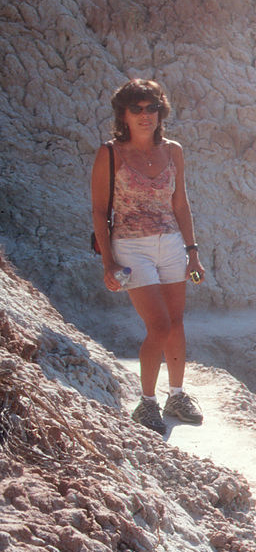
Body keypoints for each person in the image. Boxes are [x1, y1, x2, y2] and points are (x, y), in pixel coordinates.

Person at [91, 79, 206, 435]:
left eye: (151, 108)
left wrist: (192, 253)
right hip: (131, 246)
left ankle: (177, 394)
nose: (145, 116)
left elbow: (180, 204)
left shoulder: (173, 151)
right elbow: (98, 211)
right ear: (123, 115)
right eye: (136, 109)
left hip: (171, 243)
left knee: (175, 322)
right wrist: (108, 262)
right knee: (157, 325)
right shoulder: (109, 153)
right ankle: (147, 403)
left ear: (161, 112)